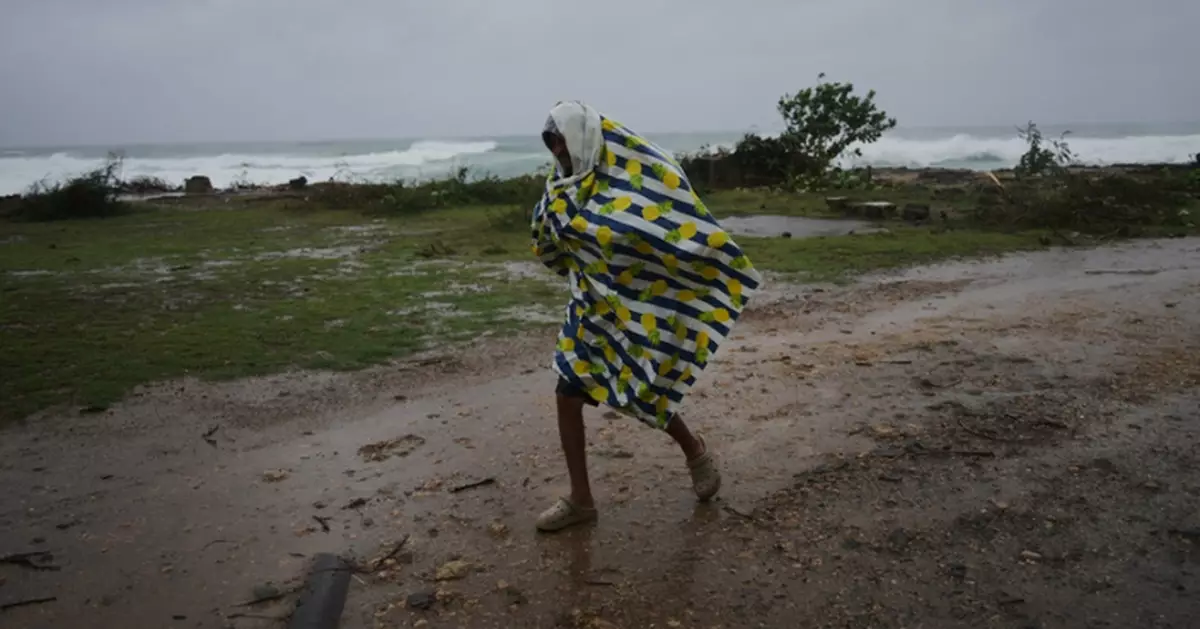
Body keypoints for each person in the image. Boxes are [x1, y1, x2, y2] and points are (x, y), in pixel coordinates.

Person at [530, 101, 762, 532]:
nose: (556, 149)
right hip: (588, 310)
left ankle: (695, 452)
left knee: (643, 389)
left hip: (635, 308)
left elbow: (665, 228)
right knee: (567, 392)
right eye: (550, 142)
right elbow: (549, 241)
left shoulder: (631, 183)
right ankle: (581, 500)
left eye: (560, 139)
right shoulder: (560, 187)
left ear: (580, 136)